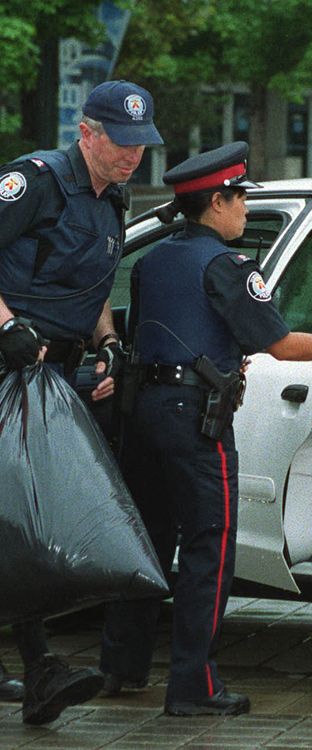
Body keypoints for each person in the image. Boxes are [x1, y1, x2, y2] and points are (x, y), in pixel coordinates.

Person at [99, 142, 312, 717]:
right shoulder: (228, 268)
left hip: (146, 413)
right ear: (216, 203)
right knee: (209, 546)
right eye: (239, 200)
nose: (244, 212)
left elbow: (159, 330)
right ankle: (194, 688)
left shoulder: (154, 260)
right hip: (195, 421)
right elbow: (280, 342)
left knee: (148, 542)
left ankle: (122, 665)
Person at [0, 79, 163, 725]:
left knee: (33, 523)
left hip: (51, 382)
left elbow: (94, 282)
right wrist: (6, 325)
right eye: (120, 142)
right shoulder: (34, 181)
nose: (131, 155)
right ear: (86, 132)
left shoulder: (111, 200)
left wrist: (108, 341)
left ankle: (39, 669)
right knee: (19, 519)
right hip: (8, 367)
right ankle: (40, 666)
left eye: (140, 145)